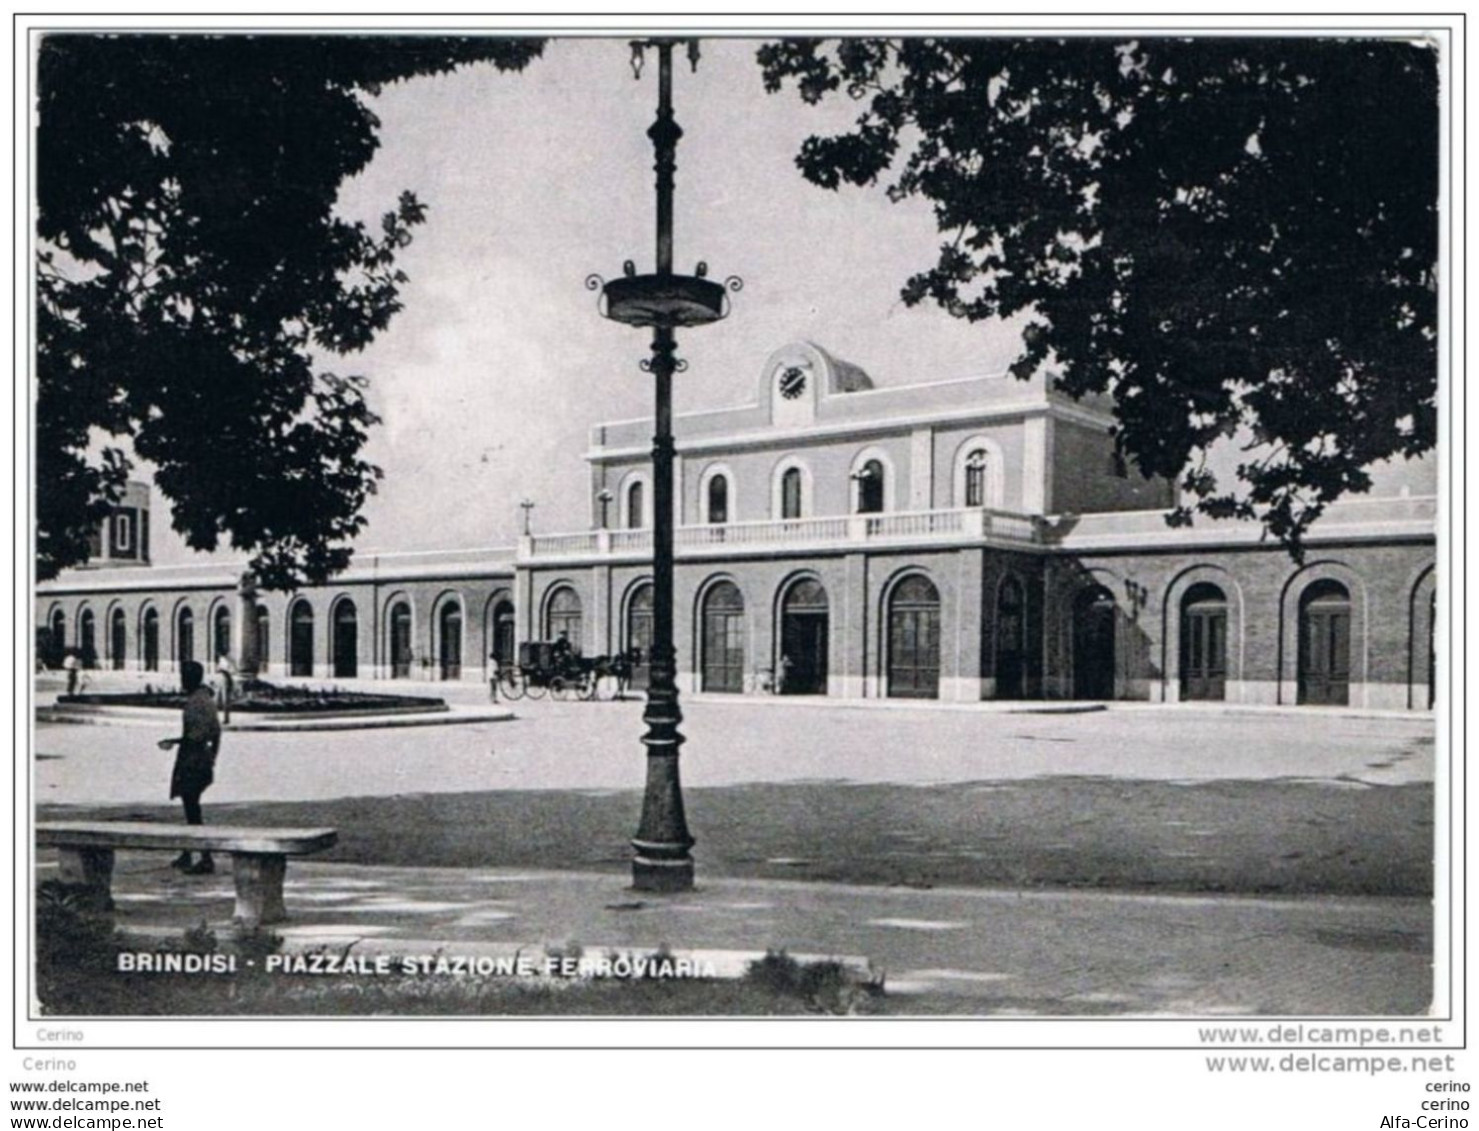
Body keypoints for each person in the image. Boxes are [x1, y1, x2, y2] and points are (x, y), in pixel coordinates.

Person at [158, 661, 221, 874]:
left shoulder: (197, 702)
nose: (182, 680)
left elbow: (195, 737)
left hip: (192, 760)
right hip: (200, 757)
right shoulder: (206, 699)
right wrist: (213, 757)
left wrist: (174, 742)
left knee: (192, 808)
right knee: (191, 807)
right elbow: (216, 732)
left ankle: (205, 857)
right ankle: (189, 853)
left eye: (185, 676)